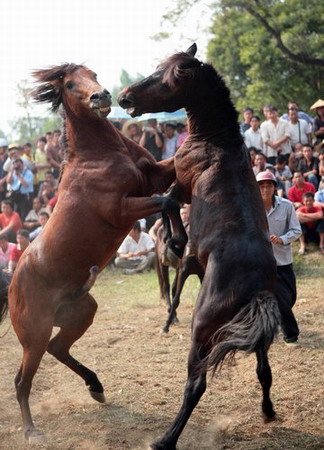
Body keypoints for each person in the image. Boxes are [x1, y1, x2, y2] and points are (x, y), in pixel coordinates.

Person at [257, 171, 301, 345]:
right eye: (261, 186)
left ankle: (273, 320)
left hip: (284, 261)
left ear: (275, 187)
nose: (265, 189)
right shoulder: (251, 208)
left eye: (269, 185)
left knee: (289, 298)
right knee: (280, 298)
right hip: (261, 263)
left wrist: (282, 239)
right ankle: (291, 334)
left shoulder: (287, 206)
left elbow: (297, 230)